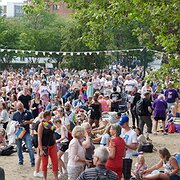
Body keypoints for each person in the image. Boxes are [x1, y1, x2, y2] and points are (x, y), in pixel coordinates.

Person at [12, 102, 35, 166]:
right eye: (18, 109)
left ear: (23, 106)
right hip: (18, 132)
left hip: (26, 132)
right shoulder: (15, 114)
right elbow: (12, 123)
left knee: (29, 147)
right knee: (19, 148)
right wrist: (15, 125)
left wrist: (27, 122)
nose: (20, 110)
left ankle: (32, 161)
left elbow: (33, 120)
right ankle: (20, 160)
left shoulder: (28, 112)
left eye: (20, 108)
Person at [38, 110, 58, 180]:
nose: (51, 116)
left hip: (52, 145)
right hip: (44, 146)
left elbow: (53, 134)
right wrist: (40, 149)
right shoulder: (41, 125)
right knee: (44, 163)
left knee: (55, 162)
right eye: (50, 115)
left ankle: (56, 178)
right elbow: (39, 137)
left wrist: (55, 143)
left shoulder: (50, 123)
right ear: (47, 116)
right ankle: (45, 178)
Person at [119, 115, 138, 180]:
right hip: (119, 156)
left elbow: (135, 147)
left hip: (127, 157)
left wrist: (125, 145)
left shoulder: (133, 133)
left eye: (123, 124)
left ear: (127, 123)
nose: (121, 125)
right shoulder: (121, 130)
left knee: (126, 175)